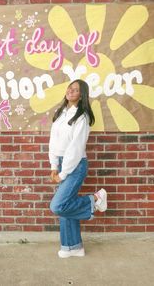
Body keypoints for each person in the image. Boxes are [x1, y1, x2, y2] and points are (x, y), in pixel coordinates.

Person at [49, 79, 107, 258]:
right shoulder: (61, 113)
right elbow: (53, 141)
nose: (71, 91)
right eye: (70, 88)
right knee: (67, 206)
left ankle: (96, 198)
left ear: (81, 95)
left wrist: (63, 172)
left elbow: (75, 148)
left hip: (75, 166)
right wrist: (54, 166)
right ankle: (72, 247)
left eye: (76, 90)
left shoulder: (82, 117)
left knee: (58, 206)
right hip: (61, 164)